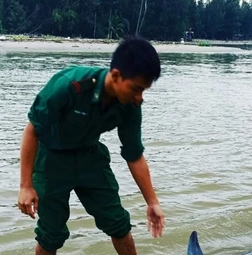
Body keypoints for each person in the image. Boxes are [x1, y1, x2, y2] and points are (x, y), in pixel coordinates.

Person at [17, 35, 165, 255]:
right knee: (51, 234)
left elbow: (134, 155)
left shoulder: (130, 106)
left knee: (118, 222)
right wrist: (26, 185)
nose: (139, 98)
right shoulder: (70, 85)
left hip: (90, 157)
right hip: (52, 160)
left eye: (144, 90)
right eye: (136, 89)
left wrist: (152, 202)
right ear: (116, 76)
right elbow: (32, 130)